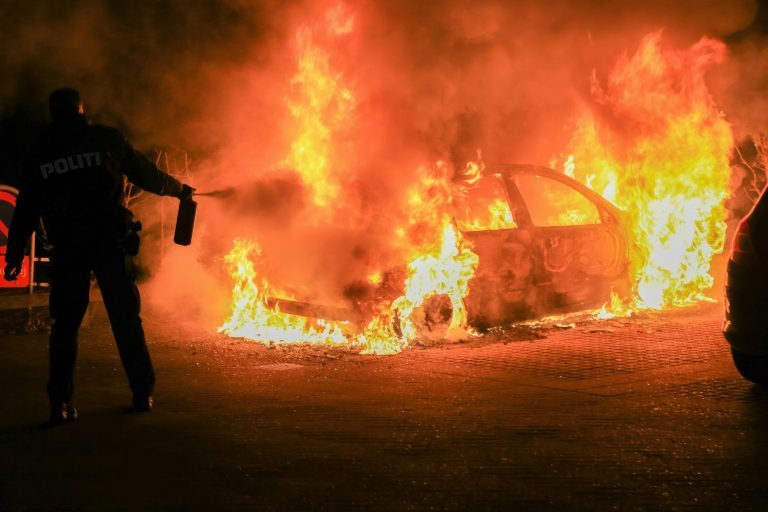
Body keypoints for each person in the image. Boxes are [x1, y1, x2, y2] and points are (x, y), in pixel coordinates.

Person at [3, 88, 194, 425]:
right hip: (109, 245)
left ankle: (58, 403)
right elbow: (146, 174)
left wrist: (16, 250)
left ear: (54, 114)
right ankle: (141, 393)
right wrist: (179, 189)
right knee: (126, 320)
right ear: (81, 111)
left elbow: (28, 206)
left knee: (65, 326)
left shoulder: (41, 150)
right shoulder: (106, 139)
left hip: (67, 250)